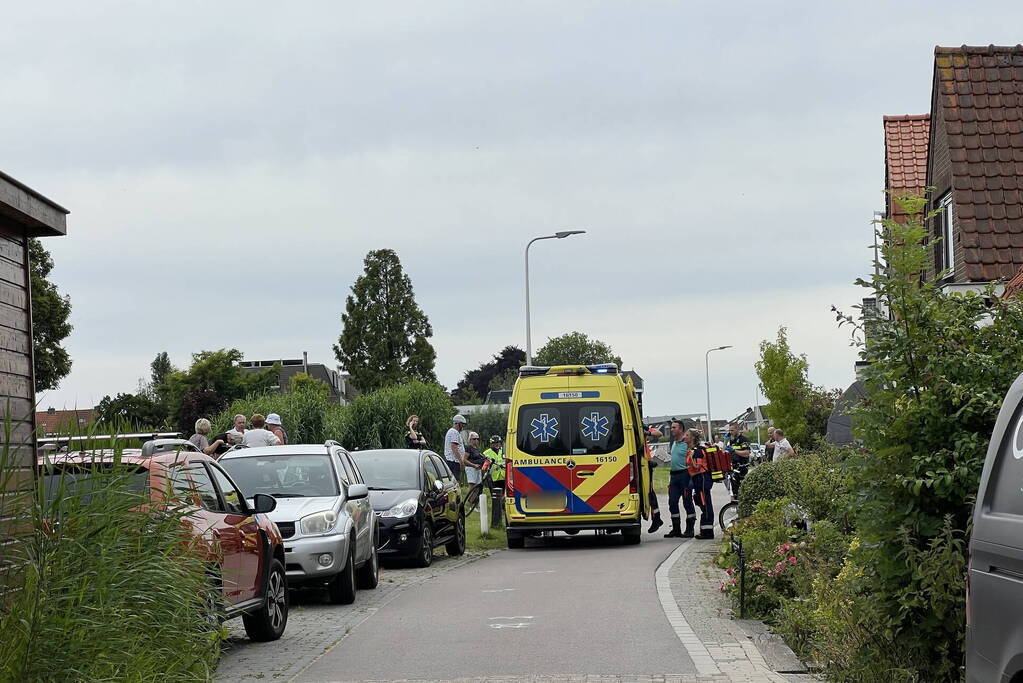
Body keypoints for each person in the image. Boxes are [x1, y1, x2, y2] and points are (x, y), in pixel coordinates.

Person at [664, 420, 697, 539]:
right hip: (674, 476)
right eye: (671, 427)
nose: (671, 429)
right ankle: (676, 529)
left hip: (684, 475)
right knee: (672, 502)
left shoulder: (686, 442)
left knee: (687, 501)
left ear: (681, 429)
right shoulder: (674, 442)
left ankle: (689, 529)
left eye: (674, 427)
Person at [686, 428, 714, 539]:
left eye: (687, 435)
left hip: (702, 478)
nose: (685, 437)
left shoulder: (697, 450)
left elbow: (697, 467)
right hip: (697, 479)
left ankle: (707, 532)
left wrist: (692, 456)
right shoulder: (692, 449)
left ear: (692, 437)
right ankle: (705, 530)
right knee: (701, 502)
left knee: (705, 503)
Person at [482, 435, 506, 525]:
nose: (496, 445)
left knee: (504, 495)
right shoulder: (486, 453)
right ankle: (496, 514)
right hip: (493, 478)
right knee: (495, 497)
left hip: (503, 476)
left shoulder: (503, 451)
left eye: (498, 443)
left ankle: (503, 511)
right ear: (491, 444)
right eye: (494, 443)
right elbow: (484, 466)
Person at [645, 425, 664, 533]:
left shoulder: (642, 428)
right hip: (639, 463)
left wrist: (647, 433)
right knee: (648, 493)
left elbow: (659, 433)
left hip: (646, 463)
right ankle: (656, 518)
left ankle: (656, 518)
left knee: (650, 493)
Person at [725, 423, 752, 495]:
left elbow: (747, 453)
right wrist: (725, 441)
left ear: (737, 429)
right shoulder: (732, 440)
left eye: (732, 430)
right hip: (734, 467)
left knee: (741, 490)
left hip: (742, 468)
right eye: (729, 430)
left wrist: (734, 451)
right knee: (733, 491)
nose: (730, 432)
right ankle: (734, 504)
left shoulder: (743, 440)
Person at [444, 414, 469, 483]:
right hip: (454, 461)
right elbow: (454, 448)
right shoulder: (454, 432)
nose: (463, 427)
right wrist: (461, 462)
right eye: (462, 425)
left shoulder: (454, 432)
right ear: (458, 424)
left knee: (456, 480)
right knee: (455, 481)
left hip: (454, 461)